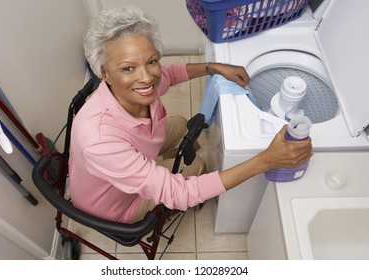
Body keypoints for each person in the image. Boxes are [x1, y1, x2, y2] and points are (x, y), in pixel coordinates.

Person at [69, 7, 312, 224]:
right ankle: (162, 173)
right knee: (197, 166)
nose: (146, 77)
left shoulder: (137, 87)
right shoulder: (99, 140)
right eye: (128, 68)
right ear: (104, 73)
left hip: (133, 155)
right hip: (117, 204)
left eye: (152, 61)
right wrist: (265, 160)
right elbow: (180, 194)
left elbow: (170, 75)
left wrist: (213, 67)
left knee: (179, 125)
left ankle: (157, 170)